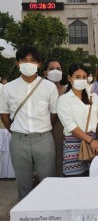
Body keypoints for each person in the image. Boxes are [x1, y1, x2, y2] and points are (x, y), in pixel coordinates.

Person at [0, 46, 58, 200]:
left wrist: (44, 129)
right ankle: (26, 219)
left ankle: (49, 214)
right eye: (24, 60)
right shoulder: (8, 88)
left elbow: (54, 114)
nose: (28, 63)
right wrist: (16, 131)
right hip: (19, 140)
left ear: (39, 64)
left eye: (33, 60)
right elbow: (4, 115)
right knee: (23, 182)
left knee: (48, 181)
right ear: (18, 63)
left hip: (44, 138)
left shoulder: (49, 87)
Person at [57, 64, 98, 176]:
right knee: (74, 180)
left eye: (84, 77)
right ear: (70, 78)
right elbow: (70, 126)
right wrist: (90, 141)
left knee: (94, 178)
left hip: (95, 145)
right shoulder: (63, 100)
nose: (81, 80)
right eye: (77, 77)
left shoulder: (93, 97)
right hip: (73, 144)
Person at [43, 58, 66, 177]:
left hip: (65, 130)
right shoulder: (41, 91)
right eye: (52, 69)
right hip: (47, 130)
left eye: (58, 69)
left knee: (64, 158)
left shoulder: (67, 90)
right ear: (45, 73)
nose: (55, 71)